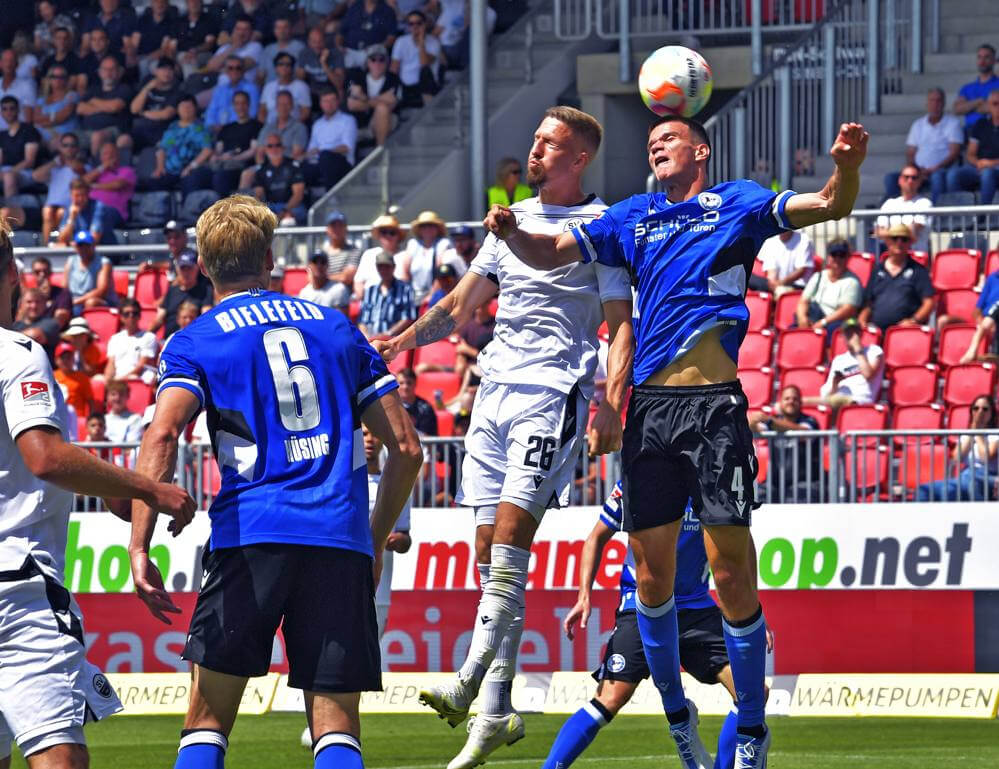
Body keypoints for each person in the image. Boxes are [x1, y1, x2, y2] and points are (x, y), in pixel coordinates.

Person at [481, 114, 869, 768]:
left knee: (728, 572)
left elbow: (831, 202)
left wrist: (847, 164)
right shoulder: (631, 217)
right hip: (649, 413)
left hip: (713, 407)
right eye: (651, 137)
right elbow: (550, 252)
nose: (657, 142)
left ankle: (749, 728)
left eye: (671, 136)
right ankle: (675, 709)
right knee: (652, 581)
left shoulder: (737, 203)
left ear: (700, 150)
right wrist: (513, 228)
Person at [374, 106, 633, 769]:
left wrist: (609, 401)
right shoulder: (510, 219)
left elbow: (616, 323)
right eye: (537, 139)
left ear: (578, 159)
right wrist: (399, 342)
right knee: (487, 552)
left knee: (514, 539)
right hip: (492, 394)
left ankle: (466, 682)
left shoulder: (599, 226)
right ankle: (495, 710)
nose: (536, 149)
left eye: (551, 143)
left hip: (553, 391)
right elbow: (460, 305)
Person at [126, 194, 422, 769]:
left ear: (205, 266)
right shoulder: (336, 327)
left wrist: (139, 543)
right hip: (337, 540)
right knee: (335, 727)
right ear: (270, 257)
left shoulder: (196, 339)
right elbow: (406, 448)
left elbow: (161, 435)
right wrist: (374, 539)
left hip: (249, 534)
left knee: (207, 722)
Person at [0, 221, 195, 769]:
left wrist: (112, 494)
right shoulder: (16, 353)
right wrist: (147, 487)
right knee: (58, 759)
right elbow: (44, 457)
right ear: (15, 274)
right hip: (18, 597)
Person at [542, 482, 762, 769]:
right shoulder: (641, 479)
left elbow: (743, 544)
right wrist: (584, 595)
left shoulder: (712, 481)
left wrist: (752, 612)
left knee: (753, 691)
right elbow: (596, 537)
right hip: (641, 606)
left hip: (694, 607)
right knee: (610, 698)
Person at [884, 88, 961, 204]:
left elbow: (954, 153)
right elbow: (910, 153)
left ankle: (937, 215)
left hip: (941, 170)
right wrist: (916, 170)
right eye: (932, 100)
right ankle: (893, 213)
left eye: (938, 101)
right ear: (927, 104)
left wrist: (935, 168)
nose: (935, 104)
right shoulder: (918, 125)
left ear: (944, 103)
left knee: (937, 177)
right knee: (891, 178)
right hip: (918, 171)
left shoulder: (953, 123)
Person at [916, 395, 999, 502]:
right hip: (965, 475)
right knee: (924, 490)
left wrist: (978, 433)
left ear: (991, 413)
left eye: (985, 409)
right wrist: (971, 432)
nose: (980, 412)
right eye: (976, 408)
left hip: (985, 477)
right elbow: (957, 458)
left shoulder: (995, 435)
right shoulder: (966, 435)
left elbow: (986, 456)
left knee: (949, 491)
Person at [749, 385, 822, 503]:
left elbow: (804, 432)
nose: (791, 402)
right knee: (756, 496)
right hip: (774, 483)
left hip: (804, 483)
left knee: (796, 498)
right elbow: (755, 429)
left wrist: (769, 421)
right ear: (780, 403)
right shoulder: (773, 422)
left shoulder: (810, 421)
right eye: (787, 399)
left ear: (800, 402)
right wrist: (752, 422)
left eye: (795, 399)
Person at [858, 223, 935, 331]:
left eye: (904, 239)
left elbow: (929, 302)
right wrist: (862, 319)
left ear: (909, 243)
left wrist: (914, 320)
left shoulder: (919, 271)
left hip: (905, 333)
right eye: (895, 238)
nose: (899, 242)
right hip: (876, 331)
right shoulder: (877, 270)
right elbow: (869, 303)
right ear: (887, 242)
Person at [805, 318, 884, 410]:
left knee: (806, 402)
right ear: (843, 337)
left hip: (859, 401)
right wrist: (835, 383)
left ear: (861, 334)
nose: (852, 336)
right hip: (837, 400)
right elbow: (826, 394)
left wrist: (858, 349)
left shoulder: (874, 351)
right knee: (801, 403)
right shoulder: (838, 360)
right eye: (848, 333)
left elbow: (868, 374)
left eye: (855, 332)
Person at [144, 94, 213, 194]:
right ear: (177, 109)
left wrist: (191, 166)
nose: (186, 109)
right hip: (169, 170)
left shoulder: (201, 128)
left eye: (189, 106)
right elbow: (162, 150)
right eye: (183, 107)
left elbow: (207, 150)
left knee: (191, 182)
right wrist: (160, 168)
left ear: (195, 108)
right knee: (154, 182)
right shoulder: (173, 127)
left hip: (190, 170)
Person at [794, 238, 862, 333]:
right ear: (828, 257)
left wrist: (823, 322)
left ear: (848, 257)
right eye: (834, 255)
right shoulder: (818, 276)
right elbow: (803, 301)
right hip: (813, 317)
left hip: (832, 322)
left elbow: (847, 310)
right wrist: (802, 319)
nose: (837, 259)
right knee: (792, 329)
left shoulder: (852, 282)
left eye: (842, 255)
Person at [946, 89, 999, 205]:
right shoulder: (980, 124)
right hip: (980, 166)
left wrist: (990, 163)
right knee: (954, 175)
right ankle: (960, 217)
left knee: (988, 174)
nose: (998, 107)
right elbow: (970, 154)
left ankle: (984, 215)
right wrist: (978, 163)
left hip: (994, 167)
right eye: (995, 104)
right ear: (988, 106)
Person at [35, 132, 87, 244]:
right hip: (51, 206)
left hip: (70, 206)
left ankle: (61, 243)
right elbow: (36, 176)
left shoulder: (84, 166)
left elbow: (84, 174)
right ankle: (46, 246)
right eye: (65, 145)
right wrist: (55, 162)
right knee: (47, 211)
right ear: (60, 147)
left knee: (61, 213)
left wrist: (73, 164)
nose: (69, 148)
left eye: (72, 145)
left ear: (77, 148)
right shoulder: (54, 168)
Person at [76, 55, 133, 158]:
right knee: (63, 140)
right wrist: (105, 107)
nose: (108, 73)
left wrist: (93, 101)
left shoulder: (124, 89)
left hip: (113, 130)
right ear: (100, 72)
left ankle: (96, 169)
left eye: (112, 69)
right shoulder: (93, 90)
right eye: (105, 69)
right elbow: (80, 109)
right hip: (87, 130)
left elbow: (114, 107)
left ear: (119, 72)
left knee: (97, 136)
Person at [345, 43, 400, 147]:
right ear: (367, 62)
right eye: (373, 59)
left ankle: (380, 151)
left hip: (385, 120)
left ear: (387, 62)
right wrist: (381, 100)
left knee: (383, 109)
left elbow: (393, 104)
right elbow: (352, 105)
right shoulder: (357, 76)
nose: (377, 63)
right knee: (382, 106)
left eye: (381, 60)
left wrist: (363, 98)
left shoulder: (393, 79)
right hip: (360, 122)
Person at [403, 210, 464, 304]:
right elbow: (405, 272)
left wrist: (430, 297)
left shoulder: (443, 244)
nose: (427, 228)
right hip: (412, 297)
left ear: (437, 228)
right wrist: (406, 296)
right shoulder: (413, 244)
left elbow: (440, 272)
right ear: (419, 229)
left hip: (433, 298)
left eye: (431, 225)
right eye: (423, 226)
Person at [150, 248, 215, 337]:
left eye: (189, 268)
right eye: (183, 268)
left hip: (193, 338)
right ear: (178, 270)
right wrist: (146, 336)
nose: (186, 272)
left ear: (197, 269)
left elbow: (206, 318)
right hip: (170, 339)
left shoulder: (205, 290)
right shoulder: (172, 290)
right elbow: (159, 319)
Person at [210, 89, 261, 197]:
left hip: (242, 166)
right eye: (237, 103)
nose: (240, 107)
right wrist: (217, 157)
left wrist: (233, 158)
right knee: (200, 174)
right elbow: (218, 150)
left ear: (248, 105)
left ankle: (223, 210)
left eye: (243, 103)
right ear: (233, 106)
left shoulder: (256, 126)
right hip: (222, 164)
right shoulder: (226, 128)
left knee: (220, 177)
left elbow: (253, 151)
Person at [305, 88, 357, 189]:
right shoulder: (317, 124)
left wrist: (324, 151)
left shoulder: (348, 120)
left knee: (326, 157)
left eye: (332, 100)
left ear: (338, 102)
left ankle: (331, 199)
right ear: (321, 104)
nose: (329, 104)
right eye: (325, 101)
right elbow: (311, 150)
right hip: (319, 162)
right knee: (300, 168)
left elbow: (347, 147)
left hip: (342, 163)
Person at [358, 250, 417, 339]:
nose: (384, 270)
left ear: (393, 267)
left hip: (393, 341)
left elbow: (409, 317)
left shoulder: (405, 289)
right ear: (377, 268)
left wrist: (388, 334)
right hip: (370, 340)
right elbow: (362, 320)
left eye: (387, 267)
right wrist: (366, 337)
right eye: (380, 267)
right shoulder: (370, 291)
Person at [391, 11, 444, 108]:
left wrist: (421, 42)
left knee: (425, 72)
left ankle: (429, 108)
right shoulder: (401, 41)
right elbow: (394, 68)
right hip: (408, 88)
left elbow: (424, 63)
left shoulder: (433, 42)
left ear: (425, 24)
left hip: (428, 87)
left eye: (418, 23)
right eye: (411, 24)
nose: (415, 26)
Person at [252, 132, 307, 224]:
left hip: (293, 206)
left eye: (278, 145)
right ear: (265, 149)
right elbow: (258, 196)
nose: (274, 149)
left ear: (283, 147)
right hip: (271, 207)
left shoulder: (293, 166)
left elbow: (298, 196)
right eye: (270, 146)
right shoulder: (261, 170)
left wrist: (284, 211)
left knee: (288, 221)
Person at [875, 164, 932, 254]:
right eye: (906, 177)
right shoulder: (889, 203)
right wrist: (905, 231)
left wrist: (889, 232)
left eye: (914, 178)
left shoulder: (925, 203)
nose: (910, 181)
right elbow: (879, 231)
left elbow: (915, 228)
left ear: (920, 182)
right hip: (891, 256)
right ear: (900, 180)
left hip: (916, 255)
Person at [129, 57, 181, 151]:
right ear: (156, 71)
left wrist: (143, 113)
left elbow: (166, 114)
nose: (167, 72)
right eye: (163, 69)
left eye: (170, 69)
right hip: (142, 130)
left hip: (162, 130)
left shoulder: (177, 91)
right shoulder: (148, 85)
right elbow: (134, 109)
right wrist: (147, 88)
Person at [81, 141, 135, 230]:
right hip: (91, 210)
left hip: (116, 213)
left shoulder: (127, 171)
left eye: (112, 153)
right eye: (106, 153)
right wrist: (103, 167)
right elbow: (82, 182)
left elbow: (117, 184)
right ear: (101, 157)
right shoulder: (97, 172)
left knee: (100, 210)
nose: (109, 156)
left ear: (118, 156)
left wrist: (93, 186)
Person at [104, 298, 158, 384]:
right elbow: (111, 364)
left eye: (134, 313)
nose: (131, 316)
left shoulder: (149, 337)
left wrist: (120, 380)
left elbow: (141, 366)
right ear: (121, 317)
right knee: (96, 380)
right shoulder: (115, 338)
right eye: (126, 314)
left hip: (136, 378)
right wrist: (108, 380)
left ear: (139, 316)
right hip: (117, 378)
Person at [64, 229, 118, 314]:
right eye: (80, 245)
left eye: (87, 245)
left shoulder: (103, 263)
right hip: (75, 302)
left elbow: (101, 291)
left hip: (100, 302)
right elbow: (64, 287)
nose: (84, 249)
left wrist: (76, 302)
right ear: (75, 247)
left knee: (91, 303)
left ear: (93, 245)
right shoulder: (70, 261)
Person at [354, 214, 407, 297]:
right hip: (370, 303)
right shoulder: (369, 254)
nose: (388, 236)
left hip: (396, 302)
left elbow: (405, 283)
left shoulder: (405, 256)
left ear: (398, 236)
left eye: (392, 233)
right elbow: (358, 282)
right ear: (379, 235)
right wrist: (365, 301)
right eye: (384, 232)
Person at [748, 229, 814, 296]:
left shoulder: (804, 239)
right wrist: (774, 285)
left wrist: (780, 283)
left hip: (798, 287)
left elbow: (801, 270)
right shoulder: (771, 241)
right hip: (777, 287)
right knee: (750, 279)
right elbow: (771, 272)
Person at [56, 178, 118, 247]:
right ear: (71, 195)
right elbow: (61, 239)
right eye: (76, 195)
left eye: (83, 195)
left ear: (88, 194)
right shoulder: (69, 208)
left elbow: (94, 240)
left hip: (103, 254)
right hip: (80, 253)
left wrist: (70, 244)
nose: (80, 199)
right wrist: (72, 218)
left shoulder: (98, 207)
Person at [204, 57, 261, 132]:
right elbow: (211, 111)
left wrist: (230, 127)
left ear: (243, 70)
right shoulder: (220, 89)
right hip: (217, 130)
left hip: (240, 129)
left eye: (238, 68)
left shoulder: (251, 89)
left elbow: (252, 113)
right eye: (231, 68)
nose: (234, 71)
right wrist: (212, 125)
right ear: (226, 71)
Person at [0, 96, 41, 200]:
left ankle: (11, 213)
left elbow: (29, 161)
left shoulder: (28, 130)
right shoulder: (2, 134)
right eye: (4, 109)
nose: (8, 112)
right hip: (4, 170)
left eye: (11, 108)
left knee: (9, 177)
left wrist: (9, 172)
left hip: (25, 172)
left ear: (18, 110)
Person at [338, 0, 398, 70]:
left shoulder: (387, 11)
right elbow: (340, 32)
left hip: (374, 53)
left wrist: (377, 48)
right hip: (351, 51)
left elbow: (392, 37)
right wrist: (339, 46)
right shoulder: (355, 7)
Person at [953, 44, 999, 131]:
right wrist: (978, 101)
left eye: (986, 57)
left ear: (994, 61)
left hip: (992, 130)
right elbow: (957, 109)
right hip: (970, 130)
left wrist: (968, 106)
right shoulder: (967, 88)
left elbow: (994, 109)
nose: (982, 61)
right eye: (979, 57)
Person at [259, 51, 311, 124]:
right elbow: (262, 110)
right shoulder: (268, 87)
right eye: (281, 64)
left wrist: (289, 127)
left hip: (293, 127)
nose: (284, 67)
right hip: (270, 127)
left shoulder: (302, 86)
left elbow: (305, 112)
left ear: (292, 68)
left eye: (288, 64)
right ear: (276, 68)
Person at [33, 64, 79, 147]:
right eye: (54, 76)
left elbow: (62, 117)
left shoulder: (71, 95)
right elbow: (35, 118)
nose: (58, 79)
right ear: (49, 79)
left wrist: (44, 120)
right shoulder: (41, 99)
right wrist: (54, 117)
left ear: (66, 79)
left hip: (63, 137)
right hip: (41, 137)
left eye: (61, 76)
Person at [298, 27, 347, 100]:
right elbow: (299, 80)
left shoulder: (336, 54)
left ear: (325, 41)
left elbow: (339, 84)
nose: (317, 45)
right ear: (309, 42)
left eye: (320, 41)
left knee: (341, 92)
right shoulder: (304, 54)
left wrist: (324, 63)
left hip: (331, 94)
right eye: (314, 42)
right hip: (312, 94)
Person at [12, 287, 62, 355]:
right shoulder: (14, 325)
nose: (34, 306)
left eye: (37, 302)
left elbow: (35, 335)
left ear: (44, 304)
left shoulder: (52, 324)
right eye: (29, 302)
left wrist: (10, 337)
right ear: (21, 305)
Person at [259, 16, 306, 85]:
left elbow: (302, 75)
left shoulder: (300, 48)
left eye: (285, 27)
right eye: (278, 28)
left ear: (291, 29)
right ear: (274, 30)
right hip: (272, 90)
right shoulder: (268, 49)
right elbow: (261, 75)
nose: (282, 31)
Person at [53, 341, 96, 417]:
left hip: (77, 419)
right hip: (57, 417)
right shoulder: (51, 376)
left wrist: (90, 419)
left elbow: (91, 402)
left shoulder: (83, 378)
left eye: (69, 357)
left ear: (73, 359)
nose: (66, 360)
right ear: (56, 360)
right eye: (63, 357)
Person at [28, 256, 72, 328]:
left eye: (45, 271)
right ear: (32, 274)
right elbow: (22, 318)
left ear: (51, 272)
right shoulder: (27, 295)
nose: (42, 274)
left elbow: (60, 319)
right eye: (37, 272)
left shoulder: (63, 293)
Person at [321, 210, 361, 284]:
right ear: (327, 230)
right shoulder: (321, 252)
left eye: (340, 225)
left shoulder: (354, 251)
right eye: (333, 225)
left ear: (346, 229)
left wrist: (322, 278)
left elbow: (347, 277)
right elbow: (310, 276)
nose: (337, 229)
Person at [395, 367, 437, 435]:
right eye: (401, 383)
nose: (405, 387)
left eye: (409, 383)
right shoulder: (390, 406)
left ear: (415, 384)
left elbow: (427, 437)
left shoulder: (425, 408)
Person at [103, 379, 144, 443]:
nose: (117, 398)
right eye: (113, 394)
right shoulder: (103, 419)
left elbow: (131, 447)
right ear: (107, 397)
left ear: (127, 396)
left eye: (121, 394)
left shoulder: (135, 419)